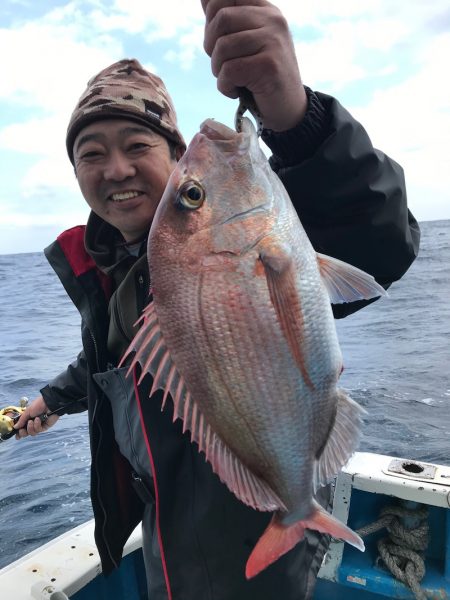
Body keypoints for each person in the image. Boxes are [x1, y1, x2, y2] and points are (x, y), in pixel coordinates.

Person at [15, 1, 420, 598]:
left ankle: (296, 511)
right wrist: (52, 398)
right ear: (75, 172)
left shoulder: (242, 250)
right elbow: (111, 360)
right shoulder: (107, 273)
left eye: (137, 145)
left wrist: (297, 119)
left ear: (176, 160)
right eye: (91, 154)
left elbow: (378, 237)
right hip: (163, 541)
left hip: (244, 548)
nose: (116, 168)